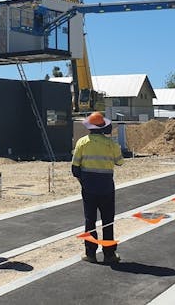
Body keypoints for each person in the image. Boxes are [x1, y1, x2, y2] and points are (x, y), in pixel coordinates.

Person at [72, 111, 124, 264]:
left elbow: (75, 168)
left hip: (88, 187)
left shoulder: (82, 142)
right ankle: (109, 255)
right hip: (106, 186)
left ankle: (90, 254)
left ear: (89, 127)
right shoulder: (112, 144)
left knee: (90, 221)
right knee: (108, 221)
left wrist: (83, 181)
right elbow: (120, 162)